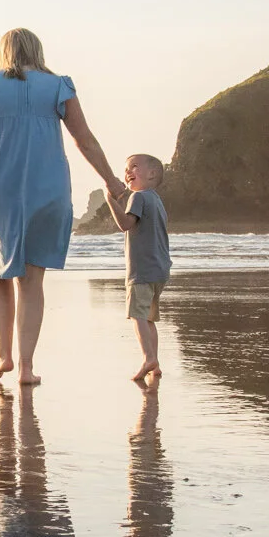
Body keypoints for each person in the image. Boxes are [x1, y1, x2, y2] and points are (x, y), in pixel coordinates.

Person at [0, 28, 124, 386]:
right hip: (47, 189)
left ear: (3, 52)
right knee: (32, 281)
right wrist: (110, 179)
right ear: (38, 50)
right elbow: (85, 140)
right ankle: (26, 367)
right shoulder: (59, 86)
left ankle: (4, 355)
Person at [101, 153, 172, 385]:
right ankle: (156, 363)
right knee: (149, 317)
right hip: (159, 269)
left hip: (141, 270)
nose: (128, 172)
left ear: (152, 174)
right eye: (126, 169)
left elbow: (125, 224)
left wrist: (109, 199)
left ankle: (148, 358)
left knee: (138, 316)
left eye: (134, 167)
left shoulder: (138, 198)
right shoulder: (157, 200)